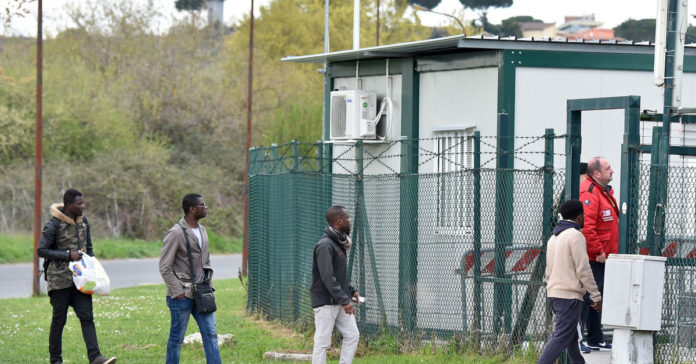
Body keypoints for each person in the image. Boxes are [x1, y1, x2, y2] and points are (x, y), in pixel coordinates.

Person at [37, 189, 117, 364]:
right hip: (59, 282)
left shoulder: (84, 222)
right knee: (59, 321)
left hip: (82, 281)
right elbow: (41, 250)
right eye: (79, 203)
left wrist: (93, 269)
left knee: (87, 317)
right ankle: (55, 360)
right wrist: (68, 255)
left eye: (83, 203)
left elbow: (89, 248)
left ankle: (95, 358)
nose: (83, 206)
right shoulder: (54, 225)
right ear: (68, 205)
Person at [538, 200, 602, 364]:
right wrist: (595, 294)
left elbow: (548, 271)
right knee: (561, 336)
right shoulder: (575, 236)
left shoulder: (553, 237)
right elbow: (583, 269)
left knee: (572, 338)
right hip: (569, 297)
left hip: (555, 294)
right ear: (579, 216)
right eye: (584, 214)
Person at [159, 194, 221, 364]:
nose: (206, 208)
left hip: (203, 293)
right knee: (177, 339)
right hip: (182, 296)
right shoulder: (176, 232)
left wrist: (209, 286)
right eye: (203, 205)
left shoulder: (202, 230)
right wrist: (178, 292)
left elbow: (205, 261)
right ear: (192, 209)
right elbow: (164, 266)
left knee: (211, 335)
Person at [310, 206, 361, 364]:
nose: (350, 221)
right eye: (348, 218)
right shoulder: (325, 245)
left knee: (352, 335)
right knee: (322, 343)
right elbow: (327, 277)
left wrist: (350, 291)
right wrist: (344, 300)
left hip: (339, 301)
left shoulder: (338, 242)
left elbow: (339, 276)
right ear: (339, 221)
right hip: (326, 302)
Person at [579, 157, 618, 350]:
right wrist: (598, 250)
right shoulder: (590, 192)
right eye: (608, 168)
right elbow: (587, 227)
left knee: (598, 297)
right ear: (596, 173)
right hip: (596, 257)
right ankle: (578, 340)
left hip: (604, 256)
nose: (612, 171)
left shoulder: (603, 192)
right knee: (589, 297)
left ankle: (595, 338)